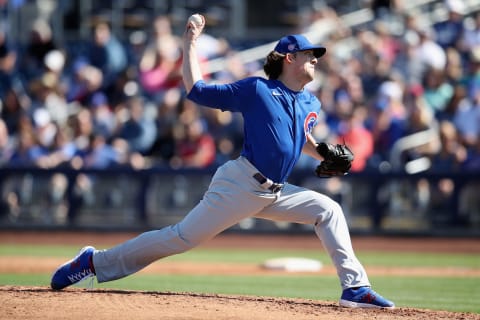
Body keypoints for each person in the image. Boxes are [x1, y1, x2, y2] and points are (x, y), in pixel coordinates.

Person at [50, 15, 395, 309]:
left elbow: (298, 141)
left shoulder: (311, 102)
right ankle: (93, 262)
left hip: (276, 191)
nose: (316, 60)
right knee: (180, 239)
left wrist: (322, 152)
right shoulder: (257, 89)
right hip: (240, 184)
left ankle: (355, 288)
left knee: (328, 210)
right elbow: (196, 90)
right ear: (289, 58)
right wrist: (190, 43)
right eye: (309, 54)